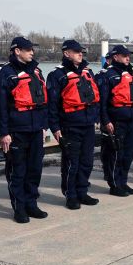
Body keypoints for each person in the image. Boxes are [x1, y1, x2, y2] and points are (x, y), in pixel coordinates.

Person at [0, 37, 49, 223]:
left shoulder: (36, 71)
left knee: (35, 169)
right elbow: (0, 107)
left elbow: (43, 101)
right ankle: (19, 208)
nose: (32, 52)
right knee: (18, 171)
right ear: (17, 51)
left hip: (35, 129)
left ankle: (31, 204)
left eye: (32, 49)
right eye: (27, 49)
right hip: (16, 130)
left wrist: (44, 127)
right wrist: (3, 133)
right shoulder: (5, 73)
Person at [46, 40, 100, 210]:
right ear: (66, 53)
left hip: (88, 124)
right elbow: (52, 104)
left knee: (87, 161)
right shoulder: (57, 75)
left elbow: (94, 97)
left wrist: (96, 117)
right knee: (71, 163)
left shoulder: (88, 72)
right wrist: (55, 128)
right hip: (70, 125)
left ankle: (82, 191)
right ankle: (71, 195)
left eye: (81, 52)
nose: (80, 54)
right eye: (76, 52)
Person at [98, 45, 133, 196]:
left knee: (129, 153)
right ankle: (114, 185)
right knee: (116, 154)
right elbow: (103, 102)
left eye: (128, 55)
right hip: (116, 120)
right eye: (124, 55)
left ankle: (123, 182)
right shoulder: (108, 75)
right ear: (115, 57)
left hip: (132, 119)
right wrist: (106, 121)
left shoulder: (132, 74)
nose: (127, 57)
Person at [96, 48, 116, 188]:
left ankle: (113, 173)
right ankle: (107, 172)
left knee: (115, 148)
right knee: (108, 147)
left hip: (115, 116)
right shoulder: (102, 75)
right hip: (107, 116)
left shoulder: (119, 74)